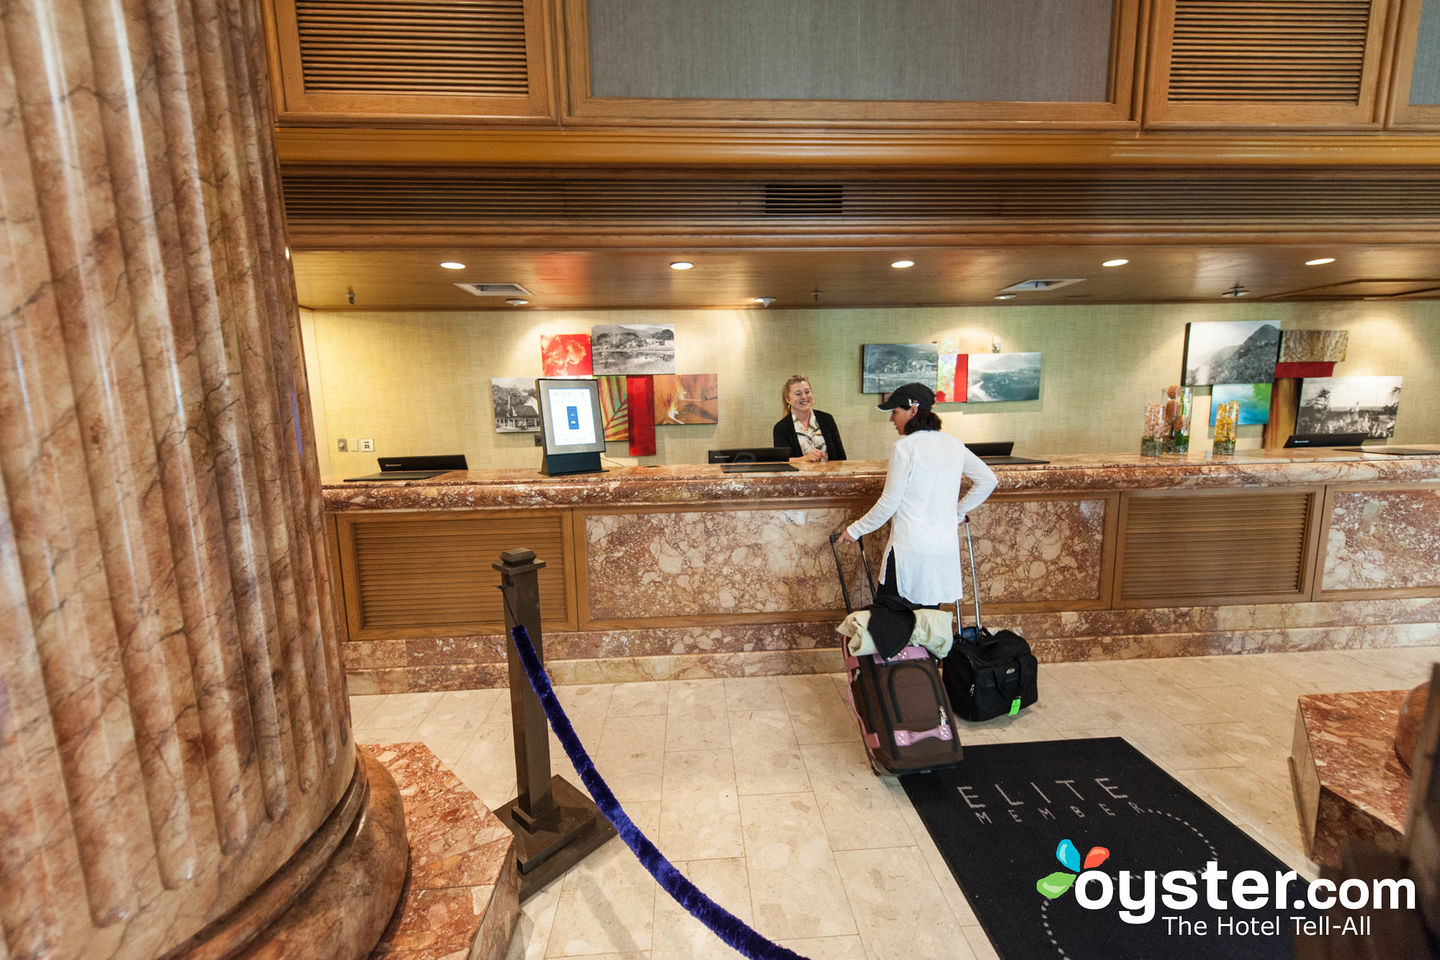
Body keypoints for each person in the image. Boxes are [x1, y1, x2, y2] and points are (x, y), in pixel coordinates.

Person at [838, 382, 997, 606]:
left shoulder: (905, 447)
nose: (892, 420)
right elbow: (988, 480)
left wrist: (855, 530)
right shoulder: (954, 444)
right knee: (927, 625)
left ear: (913, 410)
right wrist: (958, 512)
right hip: (942, 550)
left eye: (895, 412)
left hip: (910, 550)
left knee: (894, 624)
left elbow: (889, 502)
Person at [773, 374, 847, 462]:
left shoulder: (827, 419)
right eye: (798, 394)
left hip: (831, 475)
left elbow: (841, 456)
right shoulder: (781, 428)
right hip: (799, 476)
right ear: (788, 399)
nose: (804, 397)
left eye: (807, 392)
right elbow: (782, 461)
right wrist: (805, 459)